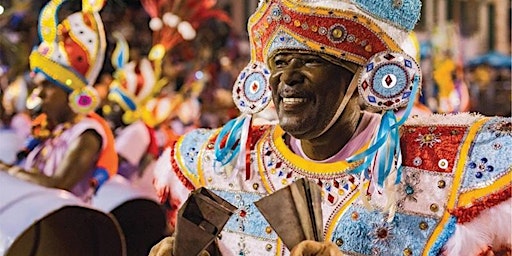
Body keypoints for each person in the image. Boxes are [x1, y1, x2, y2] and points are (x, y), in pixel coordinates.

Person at [151, 0, 512, 255]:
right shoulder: (227, 160)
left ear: (363, 77)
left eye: (311, 60)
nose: (287, 78)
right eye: (280, 62)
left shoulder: (443, 162)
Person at [1, 0, 117, 202]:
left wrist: (7, 170)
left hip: (66, 230)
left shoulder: (88, 134)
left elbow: (58, 185)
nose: (40, 93)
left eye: (48, 86)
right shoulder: (51, 128)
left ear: (70, 93)